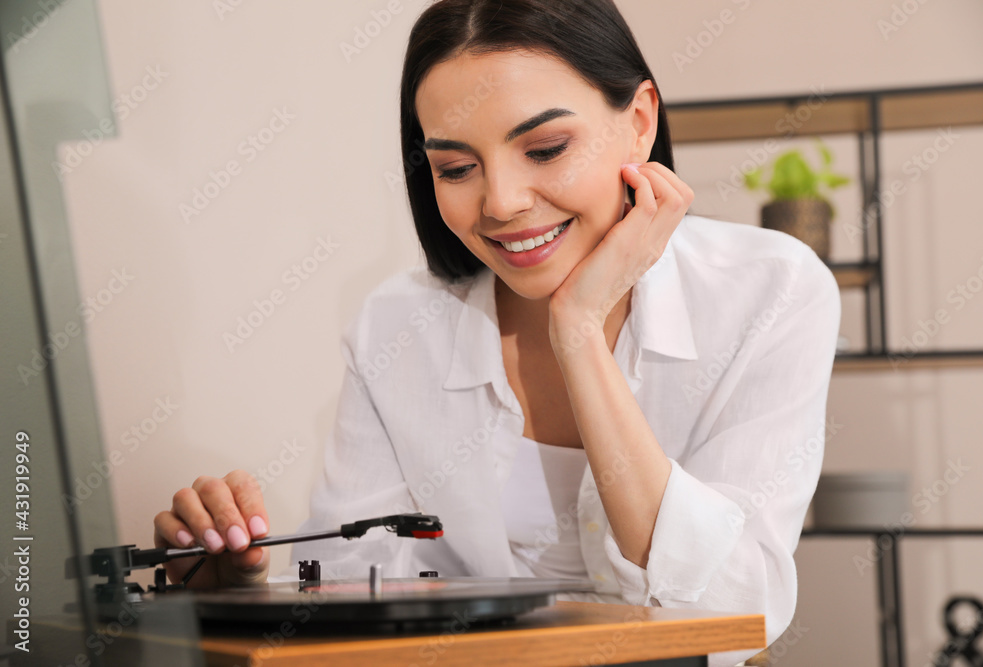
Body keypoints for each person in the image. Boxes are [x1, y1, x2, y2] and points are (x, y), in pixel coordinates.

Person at [154, 1, 840, 664]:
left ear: (639, 121)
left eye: (544, 148)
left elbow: (731, 612)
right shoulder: (397, 326)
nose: (502, 202)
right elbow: (351, 579)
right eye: (455, 168)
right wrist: (239, 583)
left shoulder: (771, 291)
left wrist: (577, 329)